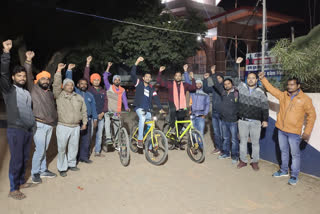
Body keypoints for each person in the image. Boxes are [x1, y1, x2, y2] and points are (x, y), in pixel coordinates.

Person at [258, 71, 316, 185]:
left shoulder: (305, 99)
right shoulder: (283, 95)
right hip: (281, 130)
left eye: (292, 85)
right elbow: (272, 90)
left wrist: (307, 132)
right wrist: (263, 79)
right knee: (283, 152)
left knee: (294, 155)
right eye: (288, 85)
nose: (289, 86)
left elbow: (312, 116)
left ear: (298, 86)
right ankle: (284, 170)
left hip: (294, 133)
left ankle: (294, 176)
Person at [0, 40, 36, 200]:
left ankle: (21, 181)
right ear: (13, 77)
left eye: (23, 76)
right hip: (15, 130)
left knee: (25, 158)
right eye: (19, 76)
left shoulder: (27, 92)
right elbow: (3, 73)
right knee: (16, 159)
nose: (22, 78)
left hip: (27, 130)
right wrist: (6, 53)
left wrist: (28, 62)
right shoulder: (9, 90)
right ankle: (13, 189)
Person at [24, 51, 58, 184]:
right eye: (43, 79)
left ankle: (43, 170)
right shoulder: (33, 89)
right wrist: (28, 60)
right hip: (38, 124)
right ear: (38, 80)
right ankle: (35, 173)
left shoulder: (49, 93)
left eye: (47, 79)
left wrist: (55, 119)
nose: (46, 80)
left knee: (44, 149)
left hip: (49, 125)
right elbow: (28, 74)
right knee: (40, 149)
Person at [53, 63, 88, 177]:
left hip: (75, 126)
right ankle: (62, 167)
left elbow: (84, 111)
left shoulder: (79, 97)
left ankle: (71, 164)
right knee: (62, 148)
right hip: (63, 126)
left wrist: (85, 122)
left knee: (74, 146)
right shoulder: (59, 95)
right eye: (67, 85)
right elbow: (56, 85)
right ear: (64, 86)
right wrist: (59, 71)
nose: (70, 86)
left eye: (71, 85)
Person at [156, 64, 196, 149]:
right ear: (174, 77)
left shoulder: (185, 85)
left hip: (181, 105)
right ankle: (171, 126)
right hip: (172, 103)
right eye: (176, 76)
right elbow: (159, 82)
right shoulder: (170, 84)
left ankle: (177, 140)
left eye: (179, 76)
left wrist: (192, 78)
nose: (178, 77)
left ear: (181, 77)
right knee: (173, 111)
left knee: (181, 122)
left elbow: (193, 88)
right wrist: (160, 72)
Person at [65, 66, 98, 164]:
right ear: (78, 85)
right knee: (75, 140)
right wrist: (69, 70)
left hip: (88, 119)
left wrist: (95, 119)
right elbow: (69, 80)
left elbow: (94, 108)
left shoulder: (90, 95)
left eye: (85, 84)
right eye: (81, 84)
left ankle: (84, 157)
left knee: (86, 140)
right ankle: (74, 158)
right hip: (77, 120)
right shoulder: (75, 92)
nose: (83, 85)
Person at [130, 57, 165, 149]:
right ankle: (140, 140)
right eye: (146, 77)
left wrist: (161, 108)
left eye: (149, 77)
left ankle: (149, 146)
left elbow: (156, 99)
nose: (148, 78)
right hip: (139, 108)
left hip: (148, 110)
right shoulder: (138, 83)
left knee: (151, 126)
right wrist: (137, 62)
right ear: (143, 78)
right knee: (142, 118)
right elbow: (132, 74)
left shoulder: (151, 88)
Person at [210, 68, 239, 164]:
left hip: (233, 121)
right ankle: (226, 153)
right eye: (225, 84)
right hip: (224, 120)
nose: (226, 85)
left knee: (234, 140)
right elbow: (216, 84)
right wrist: (213, 73)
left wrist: (237, 65)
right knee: (226, 138)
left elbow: (240, 106)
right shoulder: (223, 93)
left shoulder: (236, 93)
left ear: (232, 84)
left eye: (228, 84)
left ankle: (235, 156)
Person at [83, 56, 108, 157]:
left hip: (101, 116)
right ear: (92, 81)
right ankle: (87, 151)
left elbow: (106, 102)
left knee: (99, 134)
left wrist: (103, 112)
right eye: (94, 80)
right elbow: (85, 76)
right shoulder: (89, 89)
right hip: (92, 116)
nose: (96, 81)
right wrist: (88, 63)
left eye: (98, 80)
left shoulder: (103, 91)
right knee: (90, 134)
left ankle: (97, 151)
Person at [103, 62, 130, 150]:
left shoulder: (122, 90)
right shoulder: (109, 87)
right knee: (107, 119)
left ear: (120, 81)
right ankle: (108, 138)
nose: (117, 81)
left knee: (117, 126)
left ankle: (117, 142)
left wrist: (126, 107)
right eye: (115, 79)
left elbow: (124, 99)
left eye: (118, 80)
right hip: (109, 110)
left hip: (117, 111)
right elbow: (105, 77)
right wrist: (108, 67)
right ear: (113, 81)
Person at [203, 66, 224, 154]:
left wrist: (213, 74)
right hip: (215, 113)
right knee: (216, 132)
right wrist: (205, 80)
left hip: (223, 114)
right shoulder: (214, 88)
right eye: (217, 78)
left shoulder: (224, 88)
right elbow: (205, 89)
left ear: (222, 79)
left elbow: (217, 84)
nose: (218, 79)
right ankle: (218, 147)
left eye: (219, 78)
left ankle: (224, 149)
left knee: (223, 132)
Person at [188, 79, 210, 148]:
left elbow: (207, 104)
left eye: (199, 83)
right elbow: (189, 103)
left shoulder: (205, 94)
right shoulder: (192, 93)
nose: (198, 85)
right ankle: (195, 145)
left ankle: (201, 147)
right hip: (193, 115)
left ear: (201, 84)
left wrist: (205, 114)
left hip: (201, 116)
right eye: (196, 83)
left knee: (200, 132)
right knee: (193, 131)